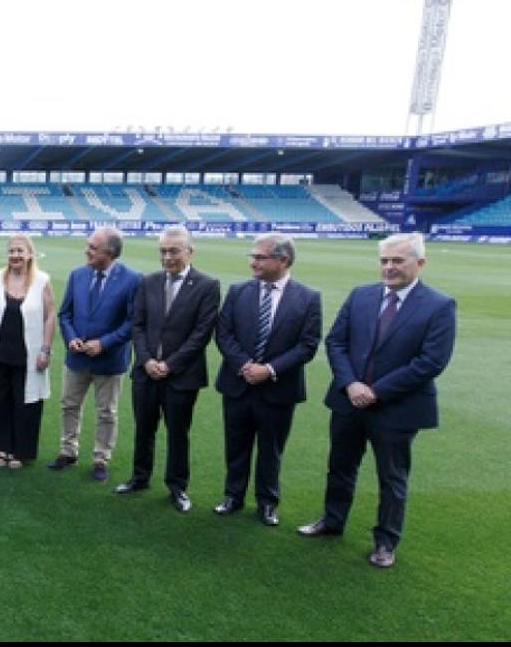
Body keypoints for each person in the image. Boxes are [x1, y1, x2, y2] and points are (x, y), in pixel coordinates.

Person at [298, 233, 456, 569]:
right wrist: (351, 384)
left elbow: (431, 362)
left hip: (397, 409)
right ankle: (332, 520)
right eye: (384, 260)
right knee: (340, 466)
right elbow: (336, 342)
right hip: (348, 402)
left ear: (420, 263)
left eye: (398, 260)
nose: (389, 267)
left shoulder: (439, 306)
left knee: (392, 477)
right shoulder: (360, 296)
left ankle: (385, 542)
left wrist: (377, 391)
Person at [213, 233, 322, 526]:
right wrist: (246, 364)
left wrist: (270, 370)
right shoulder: (238, 291)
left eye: (260, 257)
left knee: (271, 449)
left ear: (283, 260)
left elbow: (307, 345)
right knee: (236, 445)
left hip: (278, 388)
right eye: (253, 256)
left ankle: (267, 502)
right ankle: (232, 496)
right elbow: (223, 334)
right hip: (238, 383)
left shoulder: (308, 298)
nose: (253, 262)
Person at [116, 225, 219, 513]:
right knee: (143, 428)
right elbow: (137, 325)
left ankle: (177, 486)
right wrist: (147, 360)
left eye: (174, 251)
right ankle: (139, 477)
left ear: (190, 251)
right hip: (146, 372)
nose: (167, 257)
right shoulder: (148, 282)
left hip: (182, 377)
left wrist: (170, 365)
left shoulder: (207, 285)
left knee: (177, 432)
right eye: (163, 251)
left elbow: (202, 334)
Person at [49, 227, 142, 482]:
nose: (86, 251)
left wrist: (104, 343)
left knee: (106, 412)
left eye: (93, 247)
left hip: (109, 360)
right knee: (69, 405)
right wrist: (71, 338)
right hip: (77, 357)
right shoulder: (77, 275)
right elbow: (65, 313)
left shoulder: (133, 279)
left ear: (110, 252)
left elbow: (133, 322)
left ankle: (101, 458)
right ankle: (68, 451)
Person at [0, 234, 56, 468]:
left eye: (20, 251)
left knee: (25, 402)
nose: (16, 256)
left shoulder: (42, 280)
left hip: (28, 354)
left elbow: (50, 315)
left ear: (30, 254)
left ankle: (20, 450)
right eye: (12, 251)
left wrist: (45, 349)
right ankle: (1, 446)